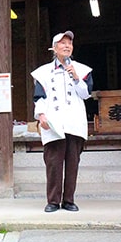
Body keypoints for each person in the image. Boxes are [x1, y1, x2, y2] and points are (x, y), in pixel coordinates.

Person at [31, 30, 93, 212]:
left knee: (72, 163)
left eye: (70, 43)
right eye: (62, 43)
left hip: (75, 122)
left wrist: (75, 76)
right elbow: (39, 97)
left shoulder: (82, 70)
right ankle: (52, 201)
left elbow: (86, 93)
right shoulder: (43, 72)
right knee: (53, 163)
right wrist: (41, 115)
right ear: (54, 48)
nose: (67, 46)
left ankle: (68, 200)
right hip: (53, 123)